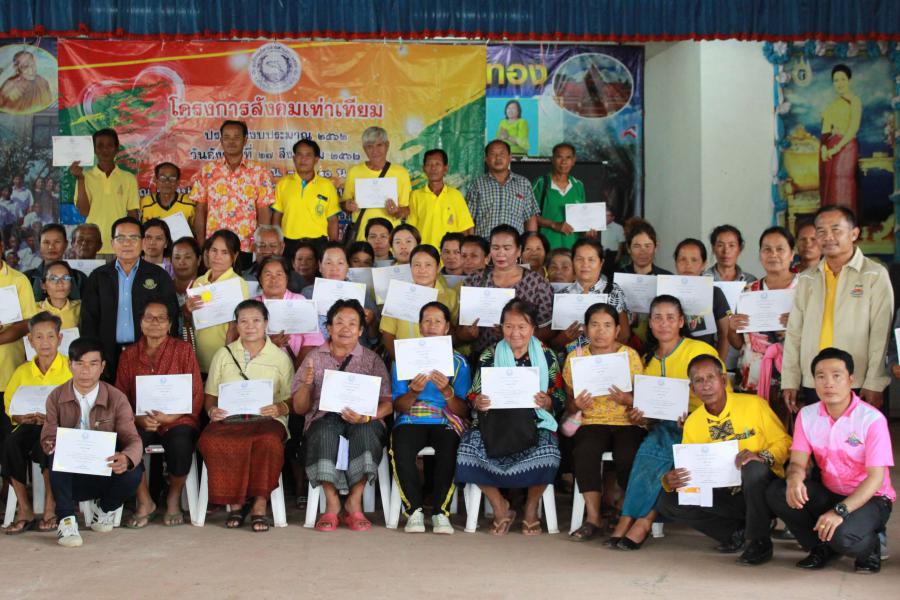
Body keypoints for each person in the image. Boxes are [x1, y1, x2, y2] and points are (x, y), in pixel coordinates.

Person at [767, 348, 893, 573]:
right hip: (831, 492)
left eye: (837, 376)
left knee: (843, 536)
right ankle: (821, 547)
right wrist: (794, 479)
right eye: (821, 376)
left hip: (872, 498)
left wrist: (840, 511)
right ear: (813, 381)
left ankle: (869, 547)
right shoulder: (807, 415)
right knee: (778, 492)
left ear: (851, 379)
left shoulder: (871, 419)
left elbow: (876, 478)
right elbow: (797, 463)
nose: (829, 383)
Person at [657, 354, 791, 565]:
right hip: (726, 493)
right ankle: (735, 532)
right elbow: (691, 467)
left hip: (762, 490)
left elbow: (785, 441)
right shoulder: (693, 422)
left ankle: (759, 542)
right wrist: (672, 480)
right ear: (692, 389)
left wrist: (761, 456)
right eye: (699, 380)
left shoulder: (754, 405)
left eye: (711, 377)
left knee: (752, 468)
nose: (706, 385)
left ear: (723, 379)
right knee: (668, 500)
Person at [610, 295, 720, 550]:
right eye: (657, 318)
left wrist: (693, 419)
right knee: (652, 446)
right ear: (649, 323)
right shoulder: (648, 360)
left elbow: (722, 394)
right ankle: (633, 519)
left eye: (670, 317)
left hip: (702, 423)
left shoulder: (700, 351)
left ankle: (639, 521)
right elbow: (650, 412)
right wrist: (640, 416)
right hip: (663, 426)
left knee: (662, 447)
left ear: (681, 321)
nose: (664, 323)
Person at [456, 299, 564, 535]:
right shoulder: (490, 354)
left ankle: (531, 508)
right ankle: (500, 507)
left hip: (534, 422)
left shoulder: (547, 356)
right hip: (495, 422)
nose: (515, 333)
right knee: (467, 448)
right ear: (501, 327)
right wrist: (478, 401)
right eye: (509, 326)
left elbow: (559, 396)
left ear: (533, 328)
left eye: (522, 327)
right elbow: (473, 394)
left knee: (549, 451)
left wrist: (548, 401)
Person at [293, 299, 392, 532]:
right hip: (324, 418)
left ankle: (354, 500)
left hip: (363, 419)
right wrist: (306, 385)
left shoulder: (372, 360)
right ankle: (332, 502)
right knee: (324, 432)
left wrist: (366, 417)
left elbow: (387, 404)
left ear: (360, 330)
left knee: (367, 433)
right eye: (338, 322)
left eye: (352, 323)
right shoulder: (314, 358)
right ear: (328, 328)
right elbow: (299, 408)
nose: (345, 328)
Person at [781, 206, 892, 412]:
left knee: (859, 433)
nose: (828, 237)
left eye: (836, 230)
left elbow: (881, 334)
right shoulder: (807, 278)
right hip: (816, 380)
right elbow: (794, 332)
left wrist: (874, 382)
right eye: (821, 231)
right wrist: (790, 379)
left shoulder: (874, 274)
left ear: (854, 234)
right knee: (817, 433)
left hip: (856, 380)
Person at [200, 300, 294, 532]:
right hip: (229, 419)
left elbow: (291, 398)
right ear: (236, 325)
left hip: (267, 420)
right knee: (211, 440)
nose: (250, 326)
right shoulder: (223, 354)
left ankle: (259, 505)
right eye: (243, 321)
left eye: (256, 320)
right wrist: (211, 411)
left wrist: (280, 408)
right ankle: (236, 504)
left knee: (268, 442)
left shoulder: (280, 357)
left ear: (266, 323)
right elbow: (210, 396)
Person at [42, 337, 144, 547]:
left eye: (93, 364)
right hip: (70, 475)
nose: (86, 370)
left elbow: (133, 439)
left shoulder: (117, 398)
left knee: (134, 470)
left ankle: (104, 509)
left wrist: (126, 458)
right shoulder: (56, 396)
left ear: (102, 367)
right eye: (79, 363)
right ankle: (66, 521)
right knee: (56, 455)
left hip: (104, 470)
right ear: (70, 365)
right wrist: (51, 444)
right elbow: (48, 435)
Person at [114, 301, 203, 528]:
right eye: (149, 317)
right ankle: (145, 501)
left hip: (178, 419)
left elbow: (195, 392)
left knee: (181, 443)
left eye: (161, 318)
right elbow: (120, 397)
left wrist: (171, 418)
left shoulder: (183, 350)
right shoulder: (128, 355)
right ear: (141, 323)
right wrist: (138, 419)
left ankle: (173, 496)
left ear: (170, 323)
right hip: (141, 420)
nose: (155, 322)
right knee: (127, 442)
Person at [562, 303, 645, 541]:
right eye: (595, 325)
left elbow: (643, 399)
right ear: (586, 329)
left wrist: (628, 400)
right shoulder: (576, 357)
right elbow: (569, 404)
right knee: (584, 451)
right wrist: (577, 405)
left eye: (607, 325)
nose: (601, 331)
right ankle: (593, 517)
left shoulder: (629, 356)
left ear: (617, 330)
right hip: (591, 421)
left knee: (628, 454)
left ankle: (625, 511)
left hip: (626, 422)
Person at [390, 301, 471, 533]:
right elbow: (399, 406)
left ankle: (440, 513)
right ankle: (414, 511)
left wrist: (447, 392)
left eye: (438, 321)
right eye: (427, 321)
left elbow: (464, 410)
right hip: (411, 419)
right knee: (401, 447)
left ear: (447, 327)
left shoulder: (458, 362)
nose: (432, 326)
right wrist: (413, 392)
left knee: (450, 448)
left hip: (445, 419)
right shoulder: (403, 358)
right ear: (419, 326)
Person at [80, 217, 179, 381]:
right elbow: (89, 322)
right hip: (107, 357)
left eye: (133, 238)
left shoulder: (158, 275)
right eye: (121, 238)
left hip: (149, 355)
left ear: (142, 242)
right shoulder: (98, 277)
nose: (127, 243)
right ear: (112, 243)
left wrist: (165, 355)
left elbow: (172, 316)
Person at [2, 312, 72, 534]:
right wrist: (19, 417)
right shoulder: (23, 371)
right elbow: (9, 404)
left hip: (60, 428)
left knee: (48, 445)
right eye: (38, 337)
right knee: (10, 444)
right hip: (29, 425)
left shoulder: (70, 368)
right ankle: (25, 509)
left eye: (50, 336)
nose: (45, 342)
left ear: (60, 339)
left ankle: (50, 507)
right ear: (30, 341)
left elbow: (80, 404)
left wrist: (52, 418)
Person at [727, 227, 798, 413]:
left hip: (792, 381)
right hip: (752, 379)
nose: (773, 254)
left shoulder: (805, 289)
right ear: (760, 255)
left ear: (792, 254)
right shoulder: (749, 291)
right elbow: (738, 343)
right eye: (767, 249)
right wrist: (732, 328)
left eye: (780, 249)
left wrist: (799, 325)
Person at [457, 225, 554, 358]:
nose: (500, 253)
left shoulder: (537, 283)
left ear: (518, 251)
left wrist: (514, 335)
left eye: (507, 248)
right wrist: (466, 334)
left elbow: (547, 330)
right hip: (481, 357)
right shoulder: (474, 280)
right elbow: (461, 328)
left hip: (523, 358)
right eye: (495, 248)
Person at [189, 120, 274, 268]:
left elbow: (263, 212)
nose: (231, 141)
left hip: (246, 247)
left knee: (244, 282)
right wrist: (202, 244)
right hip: (215, 247)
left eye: (236, 137)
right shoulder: (207, 171)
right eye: (227, 137)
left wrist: (257, 244)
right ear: (221, 140)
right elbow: (200, 210)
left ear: (245, 140)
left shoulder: (259, 172)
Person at [185, 229, 249, 373]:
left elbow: (237, 325)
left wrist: (227, 357)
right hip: (199, 356)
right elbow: (191, 321)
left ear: (234, 256)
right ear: (207, 252)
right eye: (214, 250)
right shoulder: (199, 281)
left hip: (224, 359)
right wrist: (188, 310)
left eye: (224, 252)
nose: (217, 256)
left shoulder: (238, 283)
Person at [380, 244, 459, 359]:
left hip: (438, 359)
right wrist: (400, 360)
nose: (422, 270)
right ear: (410, 267)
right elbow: (388, 333)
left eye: (428, 265)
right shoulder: (398, 293)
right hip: (404, 359)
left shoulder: (450, 296)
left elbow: (452, 331)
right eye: (417, 265)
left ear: (438, 267)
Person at [69, 128, 140, 256]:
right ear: (94, 150)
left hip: (120, 246)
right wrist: (80, 179)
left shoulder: (128, 178)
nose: (105, 150)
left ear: (116, 149)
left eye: (109, 145)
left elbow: (132, 214)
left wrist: (134, 243)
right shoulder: (85, 176)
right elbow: (84, 211)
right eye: (100, 146)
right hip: (93, 246)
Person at [553, 238, 631, 351]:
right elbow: (553, 344)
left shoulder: (613, 291)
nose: (585, 264)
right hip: (570, 358)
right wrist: (564, 338)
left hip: (605, 358)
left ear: (601, 263)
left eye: (591, 259)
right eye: (579, 259)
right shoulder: (562, 295)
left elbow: (624, 335)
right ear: (573, 262)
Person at [301, 242, 379, 347]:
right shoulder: (307, 294)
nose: (335, 268)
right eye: (329, 263)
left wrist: (372, 322)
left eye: (340, 263)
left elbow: (374, 339)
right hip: (318, 352)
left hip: (355, 353)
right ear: (320, 266)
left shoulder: (362, 293)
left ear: (348, 266)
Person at [341, 126, 412, 241]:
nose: (375, 151)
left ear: (387, 145)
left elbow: (406, 210)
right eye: (370, 146)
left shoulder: (401, 173)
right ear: (364, 148)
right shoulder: (354, 172)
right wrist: (347, 205)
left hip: (390, 239)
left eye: (379, 145)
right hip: (362, 238)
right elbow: (344, 204)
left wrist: (397, 211)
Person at [273, 139, 341, 258]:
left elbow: (332, 220)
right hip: (289, 243)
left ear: (316, 159)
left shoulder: (327, 186)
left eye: (308, 155)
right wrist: (276, 243)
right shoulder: (283, 184)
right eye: (299, 154)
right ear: (294, 158)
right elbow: (277, 216)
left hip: (318, 244)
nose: (303, 159)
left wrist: (333, 247)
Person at [0, 235, 39, 441]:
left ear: (1, 247)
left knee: (7, 439)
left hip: (9, 372)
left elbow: (27, 323)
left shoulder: (18, 280)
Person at [255, 255, 324, 368]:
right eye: (268, 275)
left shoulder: (300, 301)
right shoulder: (252, 306)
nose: (274, 279)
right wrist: (268, 344)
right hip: (261, 368)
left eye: (279, 274)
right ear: (260, 279)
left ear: (286, 278)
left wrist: (295, 371)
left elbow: (312, 341)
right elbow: (244, 343)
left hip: (297, 367)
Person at [467, 140, 539, 239]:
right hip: (486, 244)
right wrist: (472, 244)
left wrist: (530, 242)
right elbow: (469, 219)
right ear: (486, 158)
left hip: (514, 244)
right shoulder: (477, 184)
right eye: (493, 154)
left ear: (510, 157)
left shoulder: (523, 183)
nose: (498, 158)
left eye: (502, 154)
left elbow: (530, 218)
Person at [673, 238, 731, 360]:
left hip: (704, 361)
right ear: (676, 263)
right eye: (682, 259)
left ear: (704, 264)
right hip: (671, 360)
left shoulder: (715, 293)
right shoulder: (665, 291)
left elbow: (725, 334)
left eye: (694, 260)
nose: (688, 265)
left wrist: (719, 364)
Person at [406, 149, 474, 251]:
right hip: (424, 254)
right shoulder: (415, 196)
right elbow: (411, 230)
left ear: (445, 168)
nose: (433, 168)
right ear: (423, 168)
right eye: (429, 164)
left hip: (450, 255)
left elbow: (466, 228)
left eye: (437, 164)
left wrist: (466, 252)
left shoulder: (455, 195)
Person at [819, 64, 862, 213]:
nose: (839, 83)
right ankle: (830, 222)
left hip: (847, 146)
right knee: (830, 185)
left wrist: (837, 148)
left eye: (843, 79)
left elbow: (853, 128)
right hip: (830, 148)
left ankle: (846, 222)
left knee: (842, 185)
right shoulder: (833, 104)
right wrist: (824, 148)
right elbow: (826, 129)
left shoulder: (855, 101)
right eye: (836, 80)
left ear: (849, 80)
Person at [534, 143, 589, 250]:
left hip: (572, 248)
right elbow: (528, 216)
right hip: (546, 247)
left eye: (568, 157)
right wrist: (554, 224)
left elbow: (582, 220)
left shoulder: (578, 185)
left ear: (573, 161)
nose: (564, 161)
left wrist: (587, 230)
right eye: (559, 157)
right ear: (552, 159)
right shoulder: (541, 183)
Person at [25, 223, 86, 301]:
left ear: (66, 245)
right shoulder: (27, 278)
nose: (51, 247)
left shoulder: (79, 278)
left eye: (57, 242)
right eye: (46, 242)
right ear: (39, 245)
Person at [243, 225, 305, 293]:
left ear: (282, 248)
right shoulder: (243, 278)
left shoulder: (297, 280)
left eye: (273, 246)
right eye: (261, 245)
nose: (267, 250)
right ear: (254, 247)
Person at [139, 162, 196, 227]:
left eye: (172, 178)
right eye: (162, 177)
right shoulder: (146, 202)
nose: (167, 182)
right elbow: (143, 229)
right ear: (156, 181)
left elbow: (196, 230)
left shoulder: (189, 202)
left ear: (178, 182)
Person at [0, 49, 52, 113]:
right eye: (25, 66)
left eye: (33, 65)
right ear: (16, 68)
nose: (32, 70)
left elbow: (47, 106)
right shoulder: (9, 86)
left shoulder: (42, 82)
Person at [170, 236, 202, 340]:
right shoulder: (164, 288)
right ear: (171, 261)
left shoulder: (206, 289)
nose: (181, 262)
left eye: (187, 257)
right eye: (177, 257)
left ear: (198, 260)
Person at [36, 261, 82, 328]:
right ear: (43, 285)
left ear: (71, 284)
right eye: (53, 278)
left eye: (66, 278)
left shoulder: (82, 308)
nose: (60, 284)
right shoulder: (33, 310)